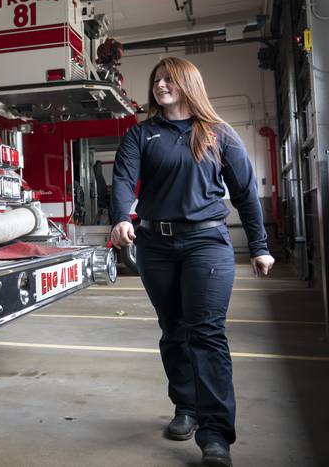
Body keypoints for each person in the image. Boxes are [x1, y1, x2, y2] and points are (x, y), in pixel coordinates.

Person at [109, 57, 275, 467]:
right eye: (157, 80)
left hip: (207, 243)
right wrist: (120, 219)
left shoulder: (219, 134)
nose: (161, 85)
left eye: (169, 79)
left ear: (188, 84)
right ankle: (185, 407)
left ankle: (215, 434)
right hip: (156, 246)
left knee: (207, 332)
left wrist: (260, 245)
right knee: (174, 330)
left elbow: (245, 194)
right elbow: (123, 181)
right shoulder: (141, 135)